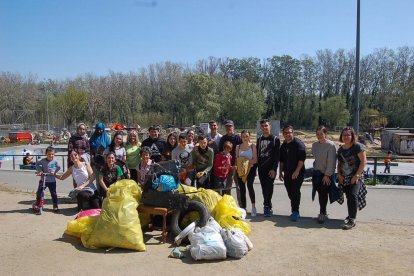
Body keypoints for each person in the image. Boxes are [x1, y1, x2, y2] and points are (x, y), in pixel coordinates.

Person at [337, 126, 367, 230]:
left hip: (356, 176)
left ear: (352, 136)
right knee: (349, 197)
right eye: (344, 135)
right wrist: (339, 174)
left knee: (353, 195)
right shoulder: (341, 149)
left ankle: (352, 219)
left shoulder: (357, 147)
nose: (346, 137)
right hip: (345, 177)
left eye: (348, 135)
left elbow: (363, 162)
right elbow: (339, 163)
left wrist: (357, 175)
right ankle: (350, 215)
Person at [279, 125, 306, 222]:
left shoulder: (299, 144)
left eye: (289, 132)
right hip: (287, 173)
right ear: (283, 134)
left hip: (297, 173)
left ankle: (295, 211)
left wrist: (297, 171)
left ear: (293, 133)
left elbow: (301, 159)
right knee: (290, 192)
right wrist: (280, 172)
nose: (287, 134)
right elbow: (281, 160)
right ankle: (295, 206)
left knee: (295, 191)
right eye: (285, 133)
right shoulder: (283, 145)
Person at [311, 126, 337, 224]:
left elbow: (332, 162)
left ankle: (323, 213)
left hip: (326, 174)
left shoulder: (331, 145)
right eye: (317, 134)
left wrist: (327, 175)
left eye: (321, 134)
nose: (319, 136)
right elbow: (316, 158)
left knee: (323, 194)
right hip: (317, 173)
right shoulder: (314, 145)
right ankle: (323, 212)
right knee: (319, 193)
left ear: (325, 134)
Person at [257, 119, 280, 217]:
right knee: (264, 188)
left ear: (270, 126)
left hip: (271, 169)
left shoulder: (275, 139)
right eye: (263, 126)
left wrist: (274, 169)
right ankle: (268, 205)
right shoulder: (259, 139)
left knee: (269, 187)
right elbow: (257, 155)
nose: (264, 128)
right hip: (261, 168)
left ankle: (266, 206)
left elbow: (277, 156)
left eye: (266, 126)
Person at [236, 130, 258, 216]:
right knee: (242, 189)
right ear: (241, 137)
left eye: (246, 136)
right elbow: (237, 159)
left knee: (250, 186)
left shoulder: (253, 146)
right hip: (241, 170)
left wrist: (246, 162)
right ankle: (243, 208)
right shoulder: (238, 147)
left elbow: (255, 159)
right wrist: (240, 164)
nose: (245, 138)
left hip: (250, 169)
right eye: (243, 136)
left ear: (249, 137)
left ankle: (253, 207)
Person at [219, 120, 242, 196]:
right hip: (227, 167)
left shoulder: (238, 138)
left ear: (233, 127)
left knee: (239, 186)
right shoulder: (223, 138)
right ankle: (228, 204)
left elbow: (242, 151)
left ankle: (242, 206)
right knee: (227, 187)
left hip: (237, 166)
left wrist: (238, 164)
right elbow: (220, 152)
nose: (229, 128)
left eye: (230, 126)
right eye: (227, 126)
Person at [35, 146, 61, 212]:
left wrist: (54, 171)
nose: (51, 155)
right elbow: (37, 164)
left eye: (52, 154)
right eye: (49, 154)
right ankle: (38, 204)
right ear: (46, 154)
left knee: (53, 194)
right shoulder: (43, 161)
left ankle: (55, 205)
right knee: (39, 192)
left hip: (52, 181)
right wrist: (40, 171)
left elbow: (59, 167)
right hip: (43, 180)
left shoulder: (55, 162)